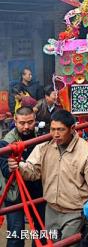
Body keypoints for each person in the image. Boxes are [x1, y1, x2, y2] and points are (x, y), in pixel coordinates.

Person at [8, 110, 88, 244]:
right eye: (53, 129)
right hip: (51, 210)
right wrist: (18, 166)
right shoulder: (44, 147)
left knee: (68, 244)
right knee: (51, 243)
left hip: (75, 213)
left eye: (60, 130)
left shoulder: (87, 153)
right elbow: (33, 171)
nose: (56, 134)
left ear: (72, 128)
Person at [0, 106, 45, 247]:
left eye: (30, 122)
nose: (26, 127)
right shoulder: (6, 142)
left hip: (37, 191)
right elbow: (6, 171)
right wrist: (12, 164)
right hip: (15, 194)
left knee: (40, 232)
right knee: (16, 235)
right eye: (22, 123)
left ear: (35, 120)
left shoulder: (41, 137)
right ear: (15, 120)